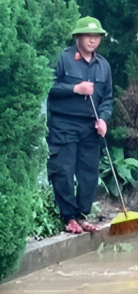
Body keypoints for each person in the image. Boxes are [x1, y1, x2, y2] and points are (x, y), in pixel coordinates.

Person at [46, 16, 113, 234]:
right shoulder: (63, 59)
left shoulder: (103, 66)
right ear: (78, 37)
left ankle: (82, 215)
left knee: (88, 174)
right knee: (63, 171)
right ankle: (69, 218)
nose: (92, 40)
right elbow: (49, 87)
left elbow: (108, 99)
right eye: (88, 36)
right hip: (63, 124)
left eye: (97, 36)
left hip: (90, 128)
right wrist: (75, 89)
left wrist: (103, 119)